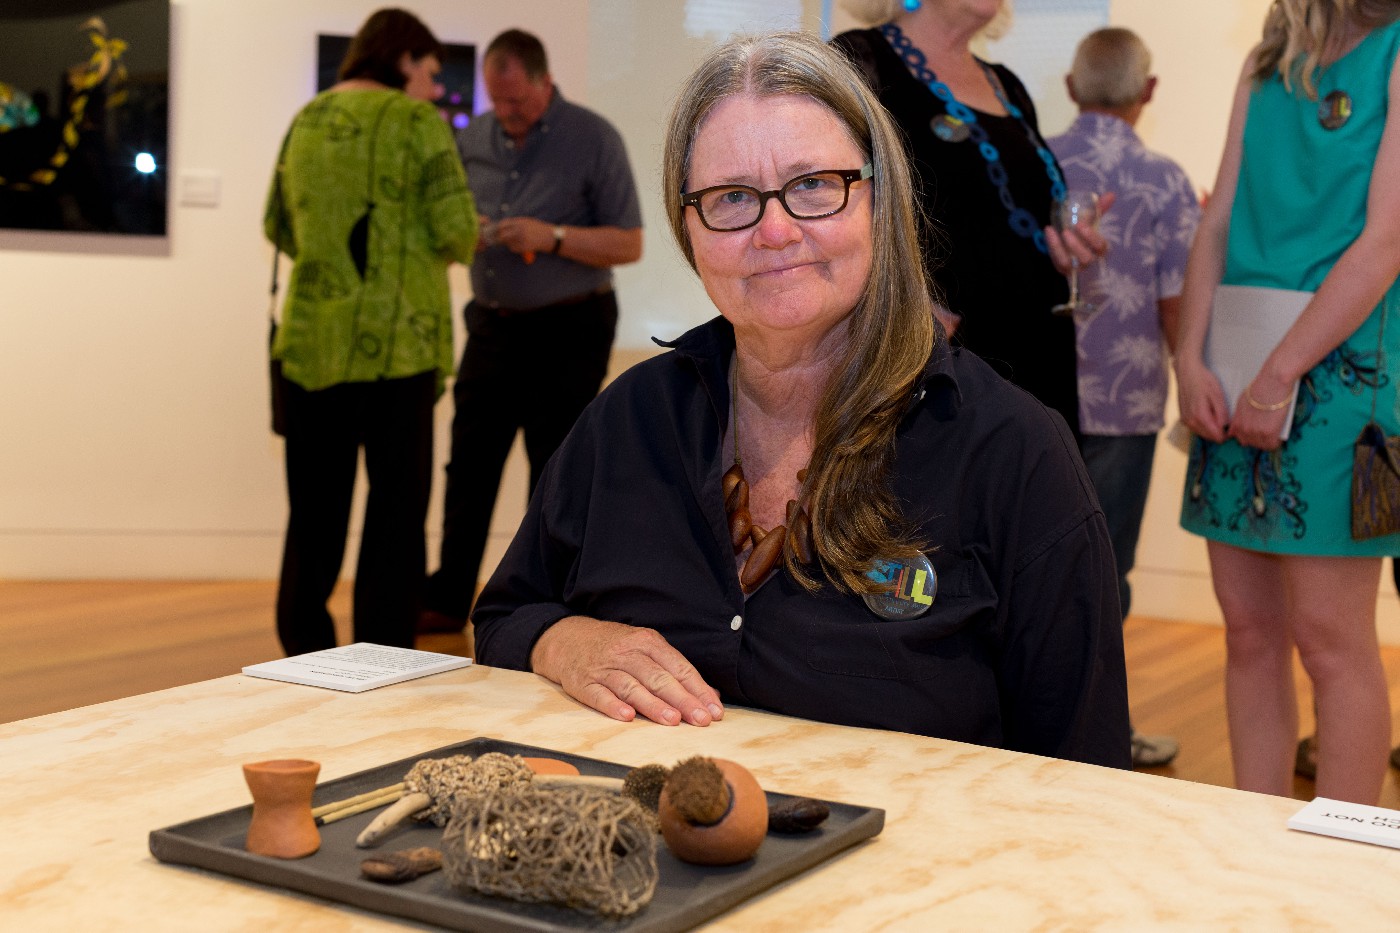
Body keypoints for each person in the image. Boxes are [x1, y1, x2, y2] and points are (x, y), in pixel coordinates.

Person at [472, 30, 1131, 767]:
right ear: (688, 227)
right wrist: (568, 639)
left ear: (880, 200)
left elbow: (1087, 772)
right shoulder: (630, 422)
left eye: (815, 185)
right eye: (731, 198)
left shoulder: (1013, 454)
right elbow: (504, 613)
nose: (775, 230)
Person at [1175, 0, 1400, 804]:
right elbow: (1218, 222)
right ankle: (1254, 840)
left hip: (1342, 373)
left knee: (1332, 640)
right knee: (1247, 628)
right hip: (1234, 364)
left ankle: (1341, 863)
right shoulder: (1266, 65)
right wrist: (1188, 358)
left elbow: (1387, 239)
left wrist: (1281, 374)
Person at [264, 8, 477, 655]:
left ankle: (304, 649)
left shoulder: (309, 118)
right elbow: (458, 231)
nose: (435, 88)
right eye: (431, 71)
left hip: (312, 344)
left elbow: (279, 226)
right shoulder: (419, 124)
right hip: (399, 349)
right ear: (405, 59)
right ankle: (379, 657)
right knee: (395, 513)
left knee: (313, 511)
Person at [421, 28, 643, 639]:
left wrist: (554, 237)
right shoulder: (473, 139)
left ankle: (536, 600)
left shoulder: (593, 138)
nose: (508, 113)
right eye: (499, 101)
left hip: (570, 327)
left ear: (546, 83)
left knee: (554, 470)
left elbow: (629, 242)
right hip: (492, 324)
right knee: (468, 464)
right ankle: (447, 595)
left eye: (518, 100)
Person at [831, 0, 1106, 436]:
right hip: (938, 368)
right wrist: (905, 303)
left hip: (1039, 354)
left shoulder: (1007, 85)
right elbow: (829, 200)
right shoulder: (859, 61)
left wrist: (1067, 247)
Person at [1048, 27, 1202, 769]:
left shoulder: (1033, 160)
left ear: (1072, 88)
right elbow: (1179, 306)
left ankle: (1024, 728)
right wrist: (1193, 377)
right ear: (1149, 92)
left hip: (1032, 395)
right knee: (1108, 574)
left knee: (1026, 567)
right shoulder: (1169, 182)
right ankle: (1106, 732)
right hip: (1127, 403)